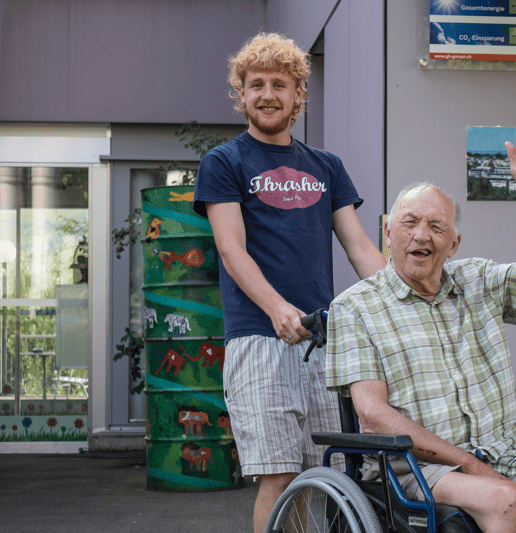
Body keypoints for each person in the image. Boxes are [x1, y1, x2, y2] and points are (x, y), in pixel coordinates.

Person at [326, 112, 516, 533]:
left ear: (453, 244)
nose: (422, 235)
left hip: (509, 458)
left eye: (437, 227)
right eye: (410, 223)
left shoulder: (476, 280)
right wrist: (469, 464)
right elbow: (375, 416)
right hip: (417, 472)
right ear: (388, 233)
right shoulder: (356, 307)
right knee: (514, 503)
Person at [192, 32, 386, 533]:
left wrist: (407, 298)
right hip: (259, 338)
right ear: (241, 93)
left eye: (280, 84)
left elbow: (361, 248)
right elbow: (232, 249)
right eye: (255, 84)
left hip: (324, 343)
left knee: (324, 472)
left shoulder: (326, 167)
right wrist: (278, 308)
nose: (267, 94)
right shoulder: (224, 163)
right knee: (278, 476)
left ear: (299, 94)